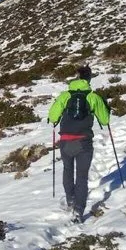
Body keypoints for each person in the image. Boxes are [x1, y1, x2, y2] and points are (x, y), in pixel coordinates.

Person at [47, 65, 110, 223]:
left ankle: (70, 200)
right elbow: (105, 120)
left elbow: (53, 117)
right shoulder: (93, 96)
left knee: (68, 170)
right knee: (82, 177)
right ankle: (79, 211)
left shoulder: (65, 95)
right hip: (84, 141)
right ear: (89, 79)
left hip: (66, 140)